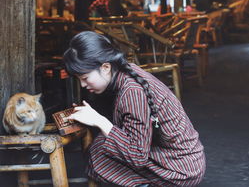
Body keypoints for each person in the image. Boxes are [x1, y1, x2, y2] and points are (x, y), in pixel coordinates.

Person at [63, 31, 206, 186]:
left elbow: (137, 157)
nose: (83, 84)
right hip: (184, 160)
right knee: (99, 148)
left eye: (85, 78)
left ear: (105, 67)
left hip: (182, 169)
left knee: (98, 156)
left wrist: (99, 121)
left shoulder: (132, 92)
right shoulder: (126, 71)